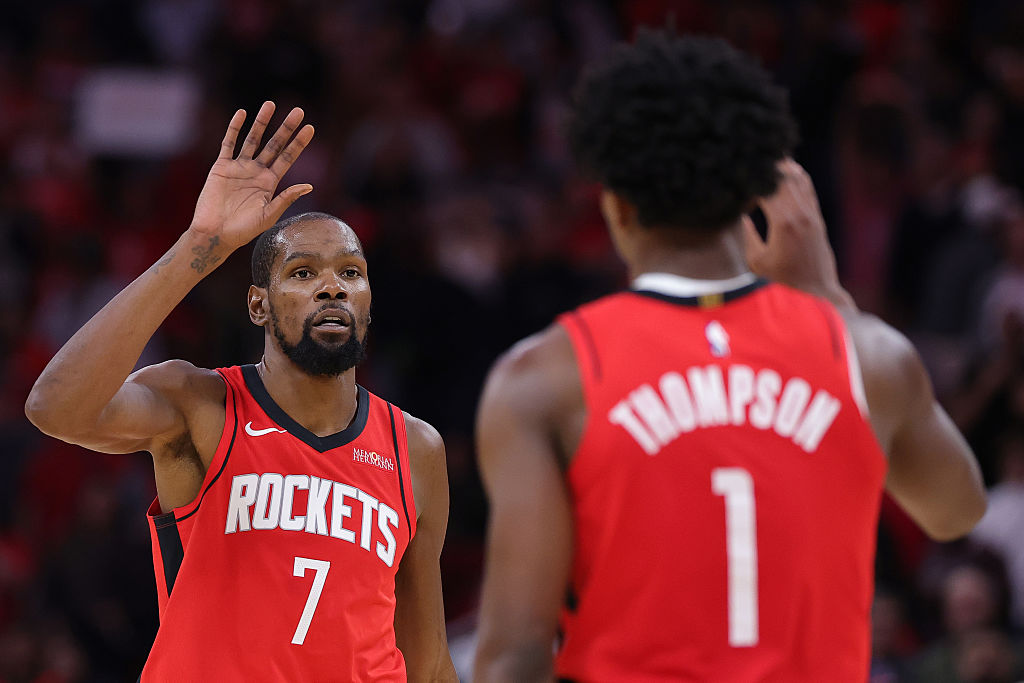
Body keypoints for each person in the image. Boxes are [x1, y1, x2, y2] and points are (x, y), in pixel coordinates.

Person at [473, 30, 987, 682]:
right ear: (753, 192)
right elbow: (957, 508)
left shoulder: (544, 377)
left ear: (617, 205)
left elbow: (512, 656)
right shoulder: (867, 354)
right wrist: (830, 300)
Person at [25, 101, 458, 682]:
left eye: (350, 273)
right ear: (258, 304)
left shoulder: (416, 447)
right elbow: (55, 408)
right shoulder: (198, 406)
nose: (332, 285)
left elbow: (427, 661)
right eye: (302, 273)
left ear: (368, 302)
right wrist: (199, 245)